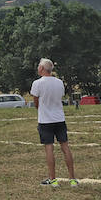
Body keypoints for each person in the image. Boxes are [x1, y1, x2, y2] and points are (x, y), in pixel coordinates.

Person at [31, 57, 77, 186]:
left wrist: (40, 108)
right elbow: (59, 97)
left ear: (41, 68)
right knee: (65, 147)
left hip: (45, 120)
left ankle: (52, 179)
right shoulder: (59, 82)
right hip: (59, 118)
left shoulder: (37, 83)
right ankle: (72, 179)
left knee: (49, 148)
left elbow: (36, 101)